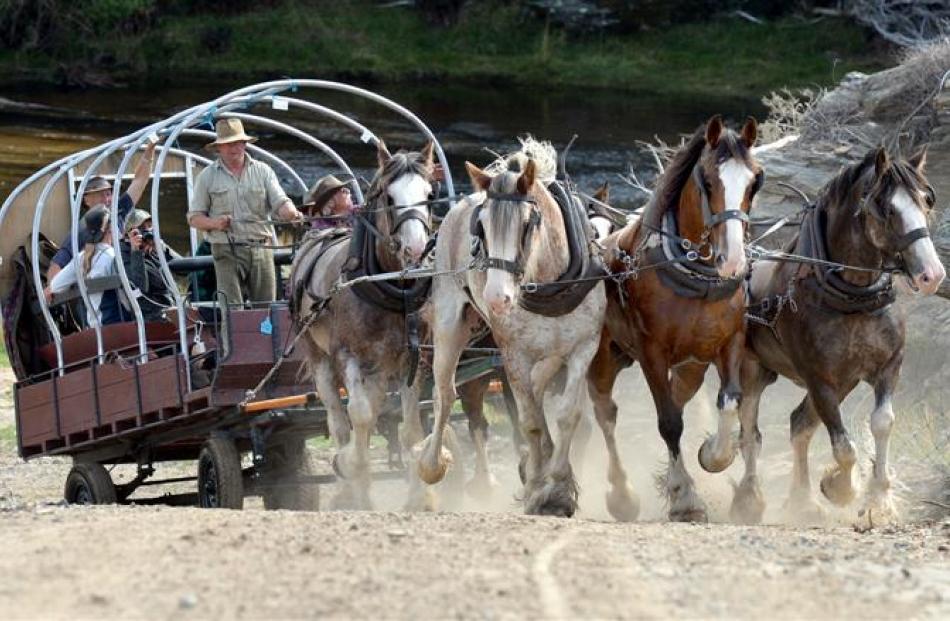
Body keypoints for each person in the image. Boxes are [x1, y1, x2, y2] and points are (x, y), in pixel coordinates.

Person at [187, 118, 304, 305]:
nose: (235, 147)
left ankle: (265, 336)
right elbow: (194, 218)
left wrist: (292, 213)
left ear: (245, 144)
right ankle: (233, 334)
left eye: (238, 142)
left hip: (261, 248)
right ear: (219, 147)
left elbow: (280, 202)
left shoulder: (263, 171)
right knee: (232, 310)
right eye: (229, 144)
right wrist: (216, 223)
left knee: (266, 308)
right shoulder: (207, 176)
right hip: (225, 248)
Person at [45, 140, 157, 301]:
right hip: (105, 296)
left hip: (127, 285)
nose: (108, 198)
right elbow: (57, 265)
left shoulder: (117, 211)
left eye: (109, 193)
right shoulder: (81, 230)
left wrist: (149, 151)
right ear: (86, 200)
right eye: (102, 194)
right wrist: (52, 290)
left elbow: (140, 181)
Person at [49, 206, 130, 327]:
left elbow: (55, 286)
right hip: (119, 327)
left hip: (94, 330)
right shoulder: (113, 256)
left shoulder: (82, 257)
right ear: (110, 229)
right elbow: (128, 300)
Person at [121, 209, 180, 321]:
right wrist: (136, 252)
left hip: (172, 310)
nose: (147, 231)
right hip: (151, 318)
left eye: (150, 226)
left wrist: (162, 248)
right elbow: (141, 287)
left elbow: (184, 271)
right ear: (128, 235)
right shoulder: (123, 256)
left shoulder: (154, 250)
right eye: (142, 229)